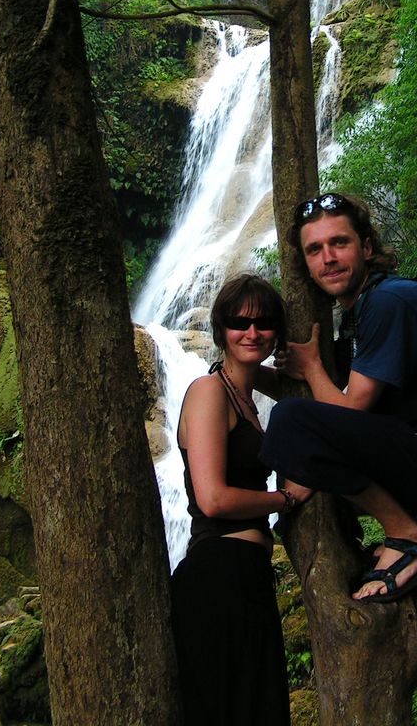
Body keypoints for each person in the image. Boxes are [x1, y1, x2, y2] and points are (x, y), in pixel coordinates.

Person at [260, 193, 417, 604]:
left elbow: (350, 410)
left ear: (366, 247)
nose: (328, 258)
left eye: (340, 243)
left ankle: (409, 536)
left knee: (289, 423)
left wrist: (313, 366)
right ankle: (408, 529)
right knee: (301, 448)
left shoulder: (389, 301)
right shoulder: (365, 310)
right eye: (314, 249)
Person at [170, 273, 309, 726]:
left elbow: (268, 373)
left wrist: (299, 366)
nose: (252, 332)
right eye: (239, 322)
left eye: (265, 322)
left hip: (245, 577)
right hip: (216, 577)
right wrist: (285, 498)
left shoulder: (244, 395)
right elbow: (212, 499)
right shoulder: (209, 391)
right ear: (220, 330)